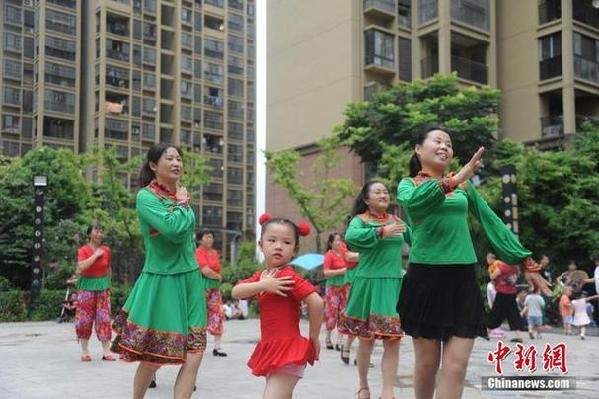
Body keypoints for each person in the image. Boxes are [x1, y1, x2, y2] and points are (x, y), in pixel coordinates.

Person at [396, 125, 532, 399]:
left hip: (462, 280)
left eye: (448, 142)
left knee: (457, 366)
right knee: (427, 364)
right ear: (419, 149)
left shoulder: (464, 187)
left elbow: (492, 222)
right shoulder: (408, 185)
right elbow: (418, 205)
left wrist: (525, 260)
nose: (445, 146)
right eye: (437, 141)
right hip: (425, 279)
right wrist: (456, 178)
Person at [112, 143, 206, 399]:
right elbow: (175, 231)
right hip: (163, 281)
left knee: (195, 354)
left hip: (191, 279)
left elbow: (183, 232)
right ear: (154, 165)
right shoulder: (146, 197)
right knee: (154, 357)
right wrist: (184, 204)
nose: (177, 163)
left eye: (179, 159)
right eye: (170, 158)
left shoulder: (178, 197)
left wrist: (181, 204)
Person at [232, 213, 324, 399]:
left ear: (295, 249)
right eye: (272, 240)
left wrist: (314, 337)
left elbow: (317, 302)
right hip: (273, 349)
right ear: (261, 244)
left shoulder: (288, 277)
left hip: (289, 349)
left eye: (287, 242)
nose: (278, 246)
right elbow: (236, 291)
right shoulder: (262, 276)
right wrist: (263, 285)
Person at [342, 180, 409, 399]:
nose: (383, 194)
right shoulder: (359, 221)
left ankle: (387, 391)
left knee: (393, 339)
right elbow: (351, 238)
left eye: (386, 191)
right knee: (366, 339)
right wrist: (381, 232)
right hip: (368, 283)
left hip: (392, 284)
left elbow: (416, 240)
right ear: (366, 199)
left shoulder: (397, 220)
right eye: (377, 192)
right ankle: (363, 385)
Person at [75, 221, 115, 362]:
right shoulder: (83, 250)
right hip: (86, 287)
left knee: (104, 318)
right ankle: (85, 352)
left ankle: (106, 351)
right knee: (84, 319)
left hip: (103, 287)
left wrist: (109, 285)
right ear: (89, 234)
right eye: (96, 231)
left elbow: (108, 268)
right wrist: (95, 255)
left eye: (101, 231)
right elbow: (80, 268)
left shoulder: (107, 250)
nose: (99, 234)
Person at [196, 229, 227, 357]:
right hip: (202, 287)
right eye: (207, 237)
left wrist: (215, 277)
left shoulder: (214, 253)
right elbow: (205, 270)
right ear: (200, 239)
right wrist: (218, 276)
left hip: (214, 287)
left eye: (211, 237)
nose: (210, 239)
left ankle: (217, 347)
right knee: (199, 315)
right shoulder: (198, 252)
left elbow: (215, 268)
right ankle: (196, 345)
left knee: (217, 314)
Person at [486, 253, 523, 342]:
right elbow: (517, 276)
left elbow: (492, 276)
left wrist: (491, 269)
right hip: (512, 293)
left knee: (496, 312)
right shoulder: (516, 268)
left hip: (502, 292)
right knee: (513, 313)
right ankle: (518, 335)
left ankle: (486, 332)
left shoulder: (503, 266)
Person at [323, 233, 349, 351]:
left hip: (345, 286)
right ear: (331, 243)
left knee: (344, 313)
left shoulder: (345, 252)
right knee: (332, 313)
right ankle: (328, 337)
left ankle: (340, 340)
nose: (339, 243)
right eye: (336, 241)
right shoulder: (329, 255)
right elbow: (326, 272)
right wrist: (341, 271)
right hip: (333, 287)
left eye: (340, 240)